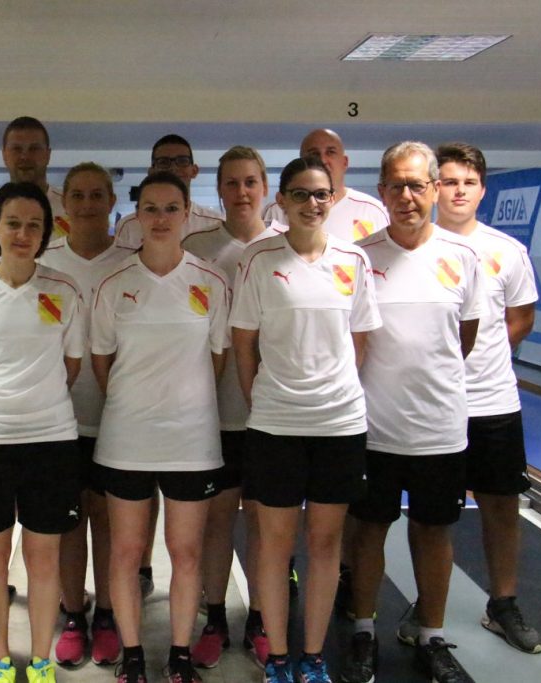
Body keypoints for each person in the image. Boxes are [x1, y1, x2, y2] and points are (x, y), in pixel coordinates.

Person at [230, 156, 380, 683]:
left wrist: (330, 390)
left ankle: (313, 657)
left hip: (339, 426)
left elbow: (358, 342)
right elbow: (244, 343)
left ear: (332, 199)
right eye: (300, 194)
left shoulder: (354, 260)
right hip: (275, 425)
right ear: (282, 201)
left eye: (321, 194)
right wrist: (263, 400)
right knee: (274, 546)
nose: (311, 203)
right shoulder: (258, 259)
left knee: (323, 544)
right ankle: (277, 657)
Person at [341, 141, 482, 683]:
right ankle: (363, 631)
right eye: (396, 185)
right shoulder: (360, 257)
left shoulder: (462, 257)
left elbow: (462, 338)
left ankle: (431, 636)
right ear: (382, 191)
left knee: (433, 532)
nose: (406, 196)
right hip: (374, 429)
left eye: (417, 185)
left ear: (435, 190)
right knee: (368, 532)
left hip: (440, 429)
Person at [394, 142, 541, 654]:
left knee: (501, 503)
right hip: (431, 409)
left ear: (482, 190)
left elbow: (521, 319)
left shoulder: (506, 251)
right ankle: (427, 604)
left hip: (492, 402)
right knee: (430, 514)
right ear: (436, 188)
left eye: (469, 183)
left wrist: (474, 362)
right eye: (451, 182)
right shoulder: (411, 248)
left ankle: (503, 604)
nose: (459, 191)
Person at [92, 172, 229, 683]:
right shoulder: (114, 284)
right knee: (126, 553)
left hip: (192, 441)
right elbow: (103, 362)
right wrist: (137, 401)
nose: (161, 218)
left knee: (186, 553)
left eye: (171, 208)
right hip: (126, 439)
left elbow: (217, 359)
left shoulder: (211, 281)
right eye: (150, 208)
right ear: (137, 216)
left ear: (187, 214)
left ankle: (179, 656)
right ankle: (132, 657)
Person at [0, 182, 85, 683]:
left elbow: (71, 365)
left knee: (43, 559)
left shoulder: (64, 291)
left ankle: (42, 662)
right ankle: (2, 662)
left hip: (50, 441)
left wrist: (34, 403)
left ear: (46, 232)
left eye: (33, 225)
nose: (22, 234)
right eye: (13, 223)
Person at [181, 146, 279, 669]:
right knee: (216, 523)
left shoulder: (283, 247)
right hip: (213, 414)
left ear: (265, 188)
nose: (242, 192)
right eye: (232, 183)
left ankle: (260, 617)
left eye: (250, 182)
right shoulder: (196, 248)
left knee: (264, 525)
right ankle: (215, 617)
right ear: (218, 190)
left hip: (272, 415)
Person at [40, 162, 134, 668]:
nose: (87, 204)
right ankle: (74, 612)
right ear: (65, 202)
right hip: (59, 419)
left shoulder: (132, 263)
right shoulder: (46, 263)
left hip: (119, 417)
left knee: (111, 524)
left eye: (97, 194)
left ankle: (109, 615)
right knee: (70, 522)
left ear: (112, 201)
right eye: (77, 195)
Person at [263, 129, 387, 243]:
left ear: (345, 162)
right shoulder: (276, 210)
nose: (322, 160)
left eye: (330, 152)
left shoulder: (372, 211)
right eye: (314, 154)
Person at [0, 116, 71, 242]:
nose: (25, 156)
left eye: (34, 149)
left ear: (48, 154)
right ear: (4, 155)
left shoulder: (70, 208)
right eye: (17, 149)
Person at [113, 134, 224, 249]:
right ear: (151, 171)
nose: (173, 168)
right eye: (163, 162)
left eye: (182, 161)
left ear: (194, 170)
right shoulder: (129, 226)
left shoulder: (217, 224)